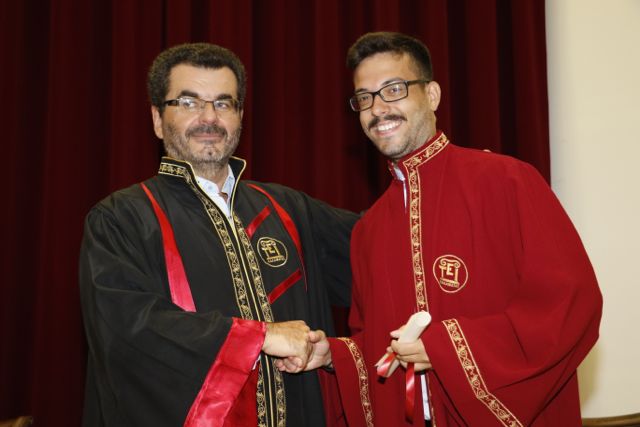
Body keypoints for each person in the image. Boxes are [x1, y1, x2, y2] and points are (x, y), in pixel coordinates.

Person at [296, 32, 603, 426]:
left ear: (432, 95)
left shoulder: (508, 180)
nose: (378, 109)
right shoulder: (367, 231)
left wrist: (446, 348)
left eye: (393, 89)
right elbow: (376, 346)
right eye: (365, 98)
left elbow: (571, 303)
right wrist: (335, 356)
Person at [79, 42, 358, 427]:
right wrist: (259, 337)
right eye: (189, 102)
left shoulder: (287, 209)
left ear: (240, 117)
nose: (209, 117)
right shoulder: (120, 218)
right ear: (158, 118)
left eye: (224, 103)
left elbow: (383, 251)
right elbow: (128, 332)